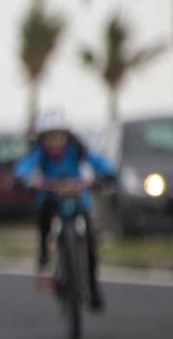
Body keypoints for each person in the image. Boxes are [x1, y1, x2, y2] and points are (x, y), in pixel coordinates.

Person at [15, 108, 116, 311]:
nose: (55, 142)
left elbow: (99, 163)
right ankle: (44, 253)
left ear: (66, 135)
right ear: (42, 139)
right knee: (44, 217)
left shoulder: (77, 149)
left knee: (89, 240)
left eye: (59, 136)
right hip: (50, 199)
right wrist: (22, 178)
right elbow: (25, 167)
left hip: (78, 200)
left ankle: (93, 287)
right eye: (49, 137)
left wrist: (107, 174)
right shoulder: (39, 153)